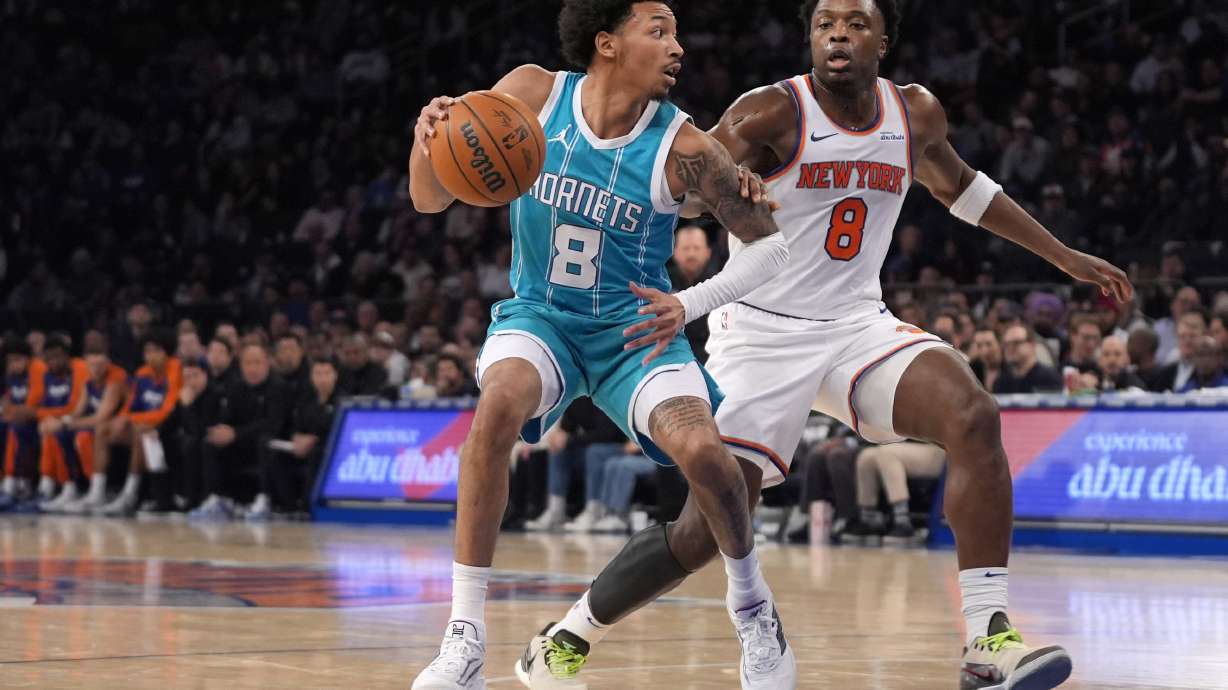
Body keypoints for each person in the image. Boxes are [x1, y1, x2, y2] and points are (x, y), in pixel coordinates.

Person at [542, 2, 1133, 688]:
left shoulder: (914, 113)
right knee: (702, 533)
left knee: (973, 413)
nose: (838, 35)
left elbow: (964, 191)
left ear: (883, 39)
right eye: (824, 24)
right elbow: (689, 184)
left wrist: (1063, 256)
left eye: (855, 22)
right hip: (759, 333)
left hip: (856, 325)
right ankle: (571, 632)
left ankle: (987, 639)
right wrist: (728, 185)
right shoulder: (770, 112)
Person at [408, 1, 793, 687]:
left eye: (676, 33)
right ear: (607, 42)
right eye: (659, 31)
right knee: (496, 408)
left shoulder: (686, 147)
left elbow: (770, 247)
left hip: (634, 331)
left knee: (708, 457)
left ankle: (752, 606)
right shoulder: (530, 93)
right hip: (542, 318)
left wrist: (688, 303)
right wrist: (427, 139)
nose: (677, 47)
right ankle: (463, 639)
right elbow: (430, 200)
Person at [75, 330, 182, 516]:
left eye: (156, 351)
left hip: (167, 428)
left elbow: (167, 411)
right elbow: (131, 406)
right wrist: (122, 418)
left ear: (167, 353)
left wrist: (131, 419)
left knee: (141, 432)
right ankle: (97, 491)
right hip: (142, 424)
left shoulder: (175, 370)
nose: (151, 356)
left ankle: (129, 495)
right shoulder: (142, 373)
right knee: (103, 429)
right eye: (147, 351)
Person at [39, 340, 128, 511]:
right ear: (86, 363)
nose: (96, 369)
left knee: (82, 436)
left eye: (100, 365)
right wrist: (60, 421)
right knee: (57, 434)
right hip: (98, 427)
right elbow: (78, 411)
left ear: (108, 362)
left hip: (115, 428)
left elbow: (100, 417)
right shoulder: (88, 381)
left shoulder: (115, 378)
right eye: (92, 365)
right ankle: (69, 488)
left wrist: (64, 424)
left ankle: (97, 491)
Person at [32, 335, 90, 502]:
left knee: (57, 432)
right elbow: (39, 407)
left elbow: (76, 405)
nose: (54, 362)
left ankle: (69, 485)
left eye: (58, 356)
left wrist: (56, 419)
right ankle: (48, 484)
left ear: (67, 355)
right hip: (59, 420)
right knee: (49, 431)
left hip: (82, 418)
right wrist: (47, 418)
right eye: (49, 358)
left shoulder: (79, 368)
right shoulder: (47, 374)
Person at [0, 339, 46, 506]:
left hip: (40, 419)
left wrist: (10, 412)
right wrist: (9, 411)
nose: (14, 364)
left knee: (15, 429)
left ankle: (14, 482)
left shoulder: (37, 369)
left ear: (28, 358)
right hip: (20, 419)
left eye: (18, 359)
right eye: (10, 360)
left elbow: (30, 406)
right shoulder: (10, 373)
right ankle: (6, 480)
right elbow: (7, 402)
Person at [994, 325, 1064, 394]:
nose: (1010, 348)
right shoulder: (1001, 382)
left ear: (1032, 344)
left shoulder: (1049, 378)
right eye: (1006, 344)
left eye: (1016, 343)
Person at [1151, 311, 1206, 392]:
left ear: (1203, 337)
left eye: (1192, 336)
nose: (1187, 341)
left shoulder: (1208, 371)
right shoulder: (1167, 372)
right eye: (1182, 336)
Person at [968, 326, 1003, 391]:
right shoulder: (973, 369)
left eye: (989, 344)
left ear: (999, 344)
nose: (984, 350)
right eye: (979, 345)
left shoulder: (1011, 367)